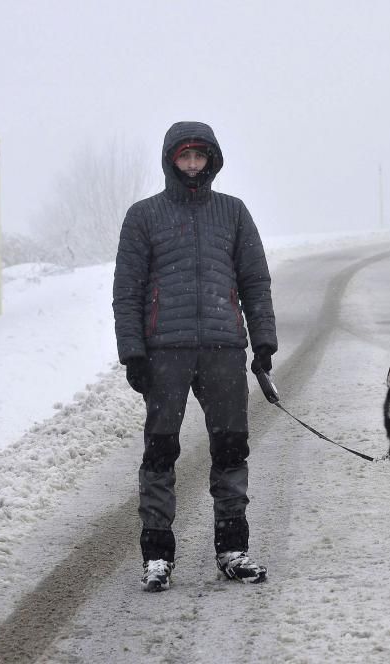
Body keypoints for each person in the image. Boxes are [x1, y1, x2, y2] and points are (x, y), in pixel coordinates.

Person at [113, 121, 277, 591]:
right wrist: (133, 353)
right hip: (166, 353)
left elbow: (255, 281)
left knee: (230, 450)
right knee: (161, 453)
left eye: (199, 157)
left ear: (211, 161)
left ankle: (232, 550)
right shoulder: (143, 217)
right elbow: (127, 292)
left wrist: (262, 340)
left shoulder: (234, 213)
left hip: (224, 350)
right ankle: (158, 556)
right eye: (183, 157)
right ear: (170, 160)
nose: (191, 165)